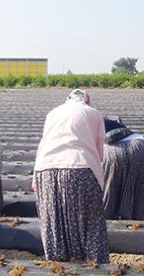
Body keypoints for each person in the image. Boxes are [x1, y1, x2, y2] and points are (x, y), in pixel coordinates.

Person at [33, 89, 110, 264]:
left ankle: (58, 265)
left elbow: (44, 142)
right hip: (80, 167)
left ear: (67, 99)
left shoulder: (53, 113)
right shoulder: (93, 113)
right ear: (86, 100)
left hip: (45, 169)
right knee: (91, 223)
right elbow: (99, 151)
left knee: (54, 221)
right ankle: (95, 265)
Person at [101, 117, 144, 220]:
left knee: (110, 190)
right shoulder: (119, 126)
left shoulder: (90, 126)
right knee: (140, 191)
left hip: (113, 151)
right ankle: (138, 219)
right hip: (143, 146)